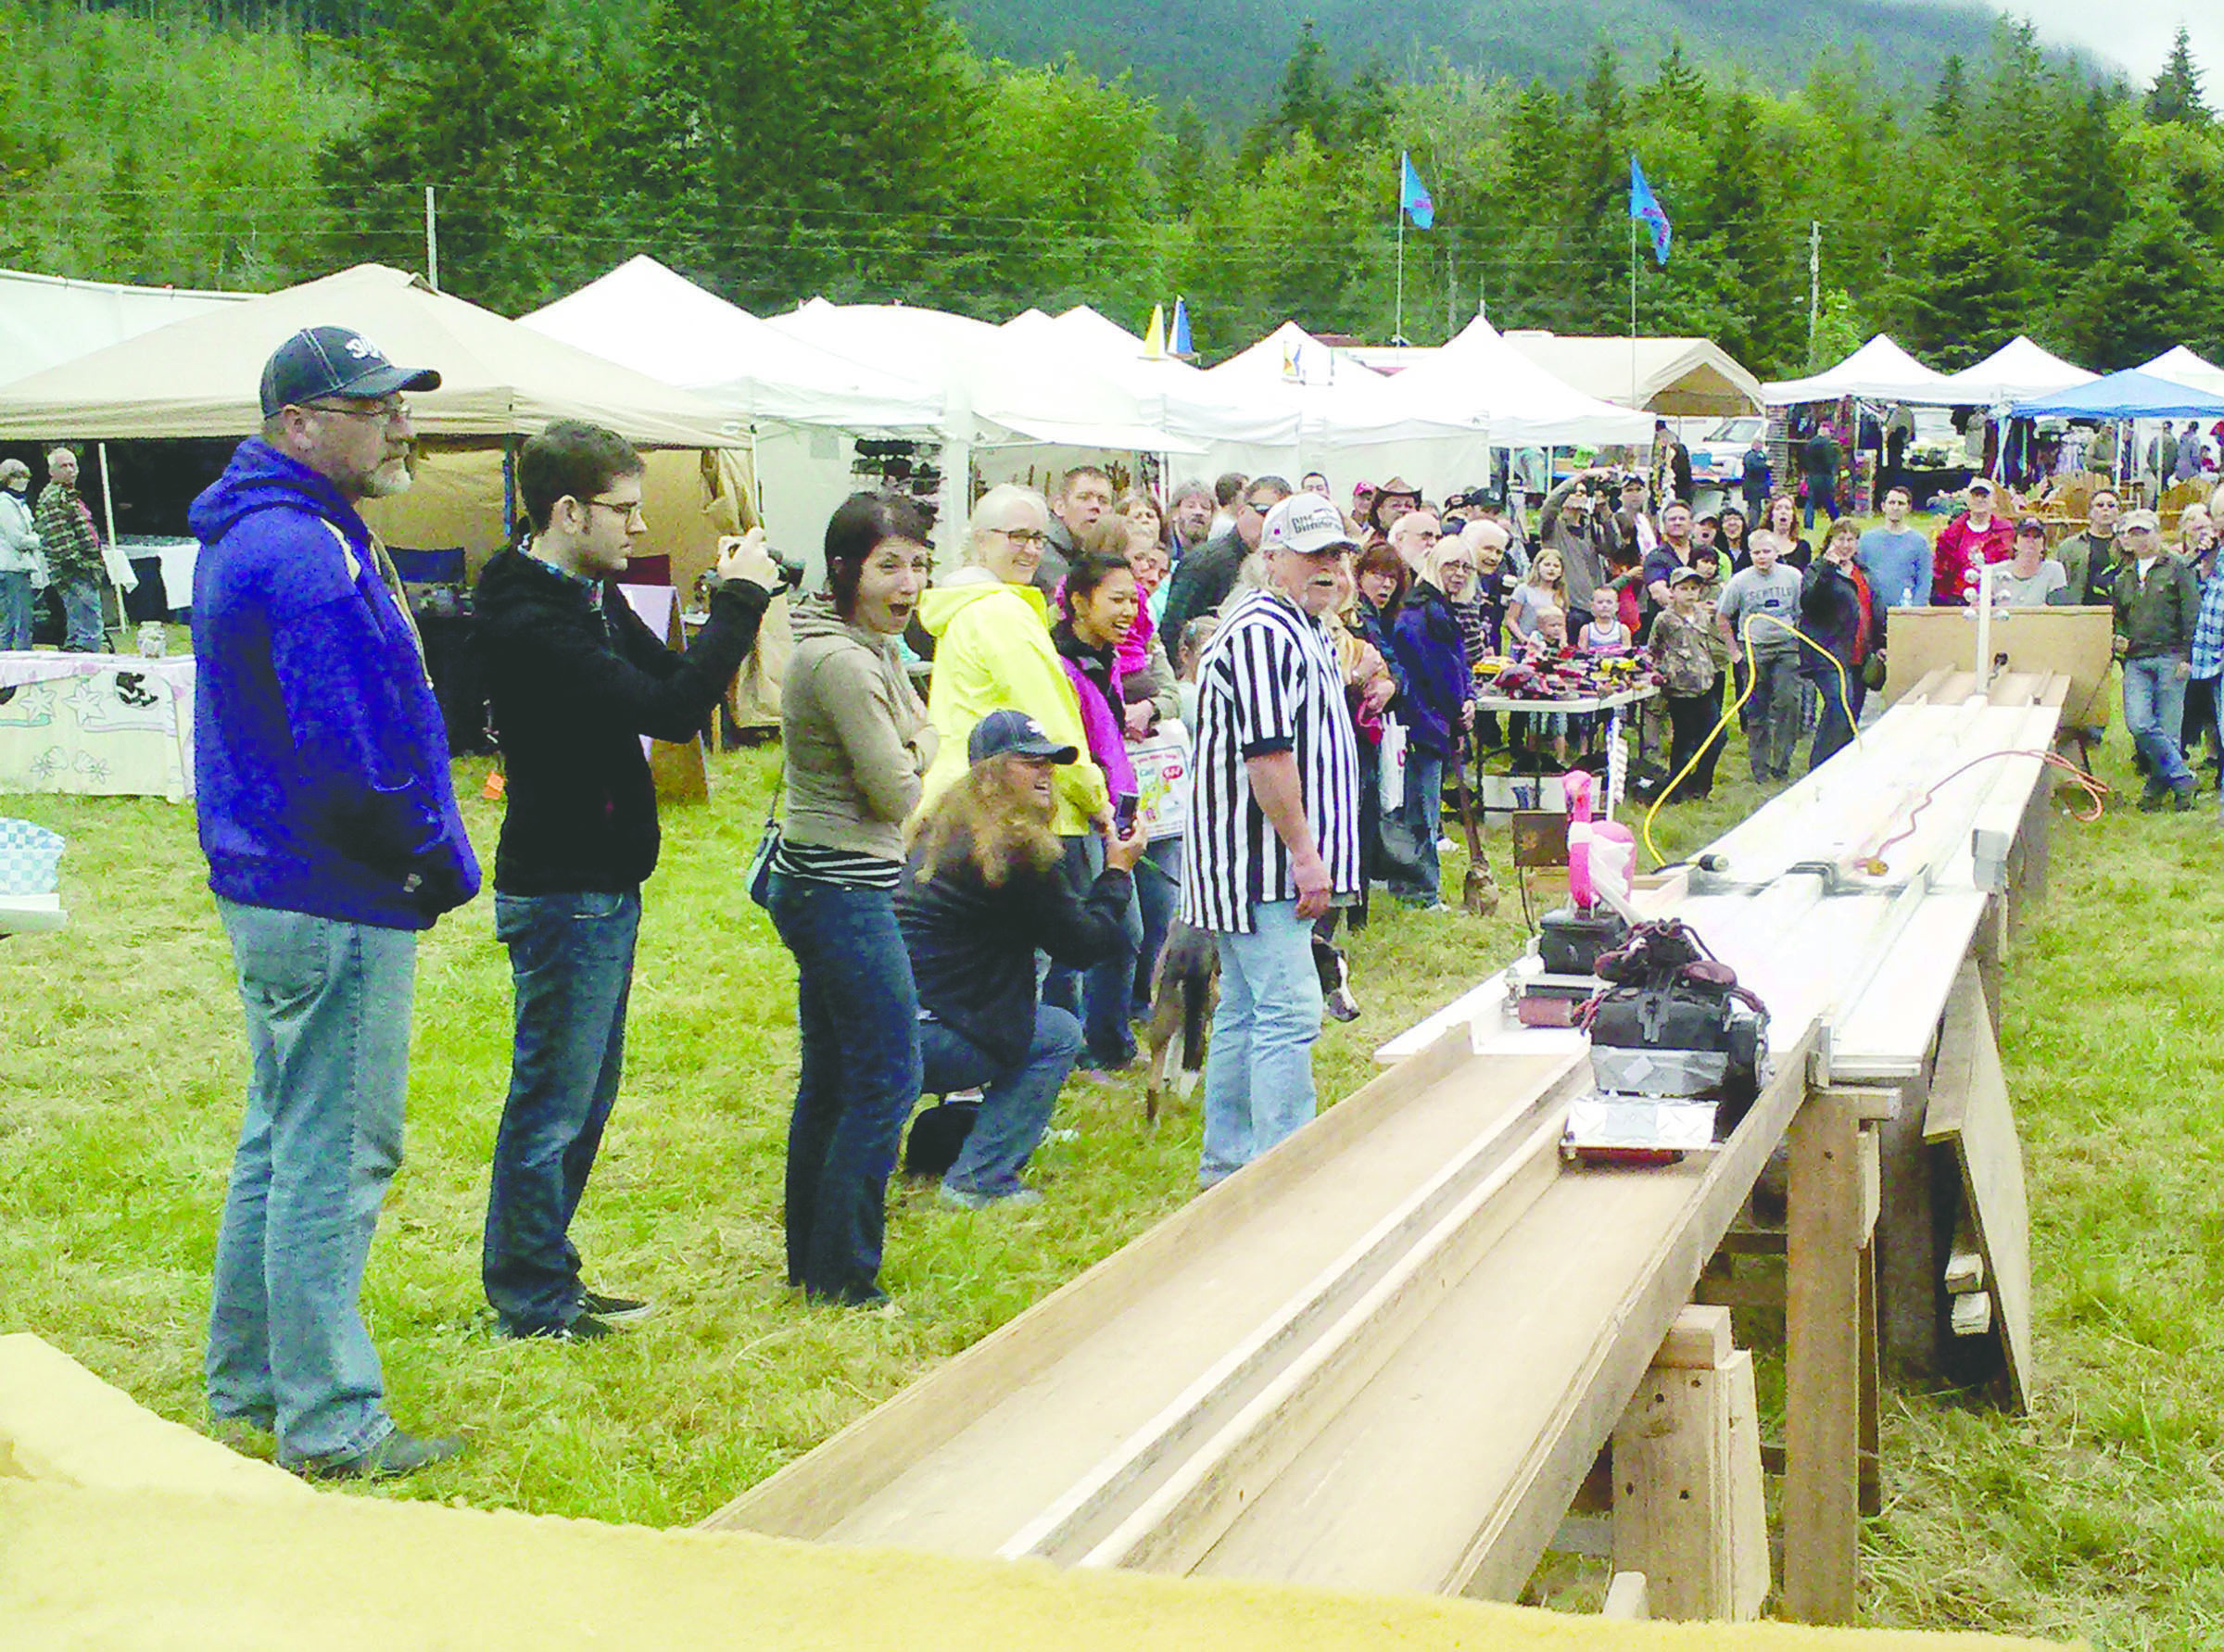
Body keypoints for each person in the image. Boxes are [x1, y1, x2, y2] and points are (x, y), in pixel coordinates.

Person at [192, 325, 474, 1480]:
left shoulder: (263, 535)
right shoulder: (306, 553)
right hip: (332, 890)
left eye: (402, 403)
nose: (400, 423)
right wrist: (432, 857)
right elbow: (352, 753)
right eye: (376, 406)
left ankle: (252, 1381)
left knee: (280, 1133)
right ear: (299, 426)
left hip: (278, 887)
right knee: (337, 1150)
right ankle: (330, 1420)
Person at [472, 422, 777, 1341]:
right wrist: (739, 605)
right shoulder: (530, 618)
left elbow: (675, 675)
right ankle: (527, 1297)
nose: (640, 526)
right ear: (568, 512)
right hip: (564, 888)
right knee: (553, 1101)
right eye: (624, 509)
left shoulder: (578, 595)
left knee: (584, 1096)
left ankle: (547, 1273)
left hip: (598, 880)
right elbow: (676, 708)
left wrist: (731, 607)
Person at [769, 492, 939, 1308]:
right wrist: (923, 740)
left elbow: (912, 743)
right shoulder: (841, 661)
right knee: (886, 1077)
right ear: (845, 569)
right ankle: (844, 1276)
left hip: (832, 881)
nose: (908, 582)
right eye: (889, 565)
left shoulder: (870, 648)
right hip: (838, 887)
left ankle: (815, 1261)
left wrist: (917, 735)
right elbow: (896, 787)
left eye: (917, 563)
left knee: (834, 1076)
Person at [1182, 493, 1361, 1189]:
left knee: (1250, 1008)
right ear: (1272, 556)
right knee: (1288, 1009)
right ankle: (1285, 1172)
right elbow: (1268, 755)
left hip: (1266, 860)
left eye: (1338, 553)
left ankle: (1229, 1167)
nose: (1330, 566)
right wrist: (1305, 852)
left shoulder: (1303, 623)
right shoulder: (1262, 629)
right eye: (1314, 553)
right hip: (1259, 862)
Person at [899, 711, 1145, 1208]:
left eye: (1050, 764)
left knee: (1023, 1008)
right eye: (1029, 762)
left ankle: (1010, 1126)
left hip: (888, 1027)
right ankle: (978, 1180)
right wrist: (1117, 873)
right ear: (989, 772)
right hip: (930, 1039)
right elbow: (1083, 946)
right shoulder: (1014, 846)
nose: (1045, 773)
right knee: (1055, 1032)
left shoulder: (941, 827)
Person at [1051, 545, 1149, 1071]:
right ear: (1079, 603)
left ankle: (1108, 1046)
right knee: (1085, 940)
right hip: (1080, 817)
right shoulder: (1062, 664)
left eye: (1134, 601)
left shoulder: (1104, 659)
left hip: (1113, 810)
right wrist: (1101, 807)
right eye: (1116, 600)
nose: (1128, 612)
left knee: (1123, 933)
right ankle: (1077, 1050)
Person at [1386, 537, 1475, 910]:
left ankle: (1410, 889)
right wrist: (1457, 709)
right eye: (1451, 565)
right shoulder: (1423, 614)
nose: (1458, 574)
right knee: (1420, 814)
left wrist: (1468, 697)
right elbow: (1435, 672)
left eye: (1465, 567)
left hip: (1432, 722)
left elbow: (1457, 665)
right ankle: (1422, 894)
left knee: (1417, 810)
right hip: (1421, 725)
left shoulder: (1439, 609)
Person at [2111, 509, 2200, 811]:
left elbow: (2191, 615)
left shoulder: (2178, 567)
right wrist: (2119, 637)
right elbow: (2118, 618)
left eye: (2145, 532)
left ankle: (2156, 791)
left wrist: (2189, 656)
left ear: (2158, 534)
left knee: (2169, 728)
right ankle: (2182, 777)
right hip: (2136, 659)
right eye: (2133, 533)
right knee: (2139, 724)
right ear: (2126, 539)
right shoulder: (2122, 577)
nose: (2140, 538)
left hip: (2171, 655)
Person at [1714, 530, 1803, 782]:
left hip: (1787, 647)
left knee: (1788, 702)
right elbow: (1722, 616)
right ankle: (1760, 768)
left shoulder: (1793, 577)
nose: (1762, 557)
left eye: (1767, 551)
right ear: (1750, 554)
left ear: (1777, 553)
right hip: (1754, 649)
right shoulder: (1740, 582)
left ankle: (1782, 763)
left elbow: (1801, 610)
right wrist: (1734, 652)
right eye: (1756, 552)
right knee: (1757, 709)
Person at [1798, 519, 1887, 772]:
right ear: (1830, 542)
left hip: (1860, 654)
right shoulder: (1817, 569)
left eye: (1850, 540)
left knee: (1852, 714)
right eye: (1840, 539)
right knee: (1839, 705)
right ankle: (1818, 769)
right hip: (1828, 654)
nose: (1845, 545)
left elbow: (1875, 609)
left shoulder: (1865, 573)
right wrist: (1828, 569)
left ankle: (1841, 767)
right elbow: (1809, 602)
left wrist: (1880, 642)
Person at [1158, 474, 1291, 638]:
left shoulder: (1286, 568)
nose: (1273, 522)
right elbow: (1173, 630)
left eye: (1282, 517)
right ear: (1242, 511)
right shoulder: (1205, 562)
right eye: (1265, 512)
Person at [1648, 565, 1725, 801]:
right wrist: (1662, 673)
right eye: (1684, 589)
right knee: (1683, 740)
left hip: (1704, 684)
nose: (1689, 593)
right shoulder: (1664, 619)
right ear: (1673, 591)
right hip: (1679, 689)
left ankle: (1701, 785)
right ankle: (1676, 789)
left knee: (1717, 737)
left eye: (1694, 589)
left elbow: (1710, 643)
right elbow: (1654, 648)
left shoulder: (1703, 616)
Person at [35, 446, 107, 651]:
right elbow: (60, 541)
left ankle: (79, 662)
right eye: (63, 466)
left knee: (79, 626)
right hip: (75, 571)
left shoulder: (67, 495)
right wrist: (84, 565)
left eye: (72, 465)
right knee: (89, 628)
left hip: (78, 570)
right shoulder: (55, 497)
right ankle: (89, 672)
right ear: (52, 471)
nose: (70, 470)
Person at [1931, 479, 2015, 607]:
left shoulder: (2005, 532)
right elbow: (1942, 570)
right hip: (1958, 599)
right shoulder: (1953, 533)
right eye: (1975, 495)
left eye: (1984, 496)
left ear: (1993, 501)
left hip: (1994, 598)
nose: (1980, 500)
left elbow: (2009, 566)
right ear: (1968, 501)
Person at [1536, 471, 1611, 608]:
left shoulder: (1592, 527)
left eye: (1583, 492)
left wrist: (1604, 508)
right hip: (1564, 605)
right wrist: (1579, 478)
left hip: (1593, 606)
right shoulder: (1553, 528)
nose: (1578, 495)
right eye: (1573, 492)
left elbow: (1614, 546)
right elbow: (1549, 506)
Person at [1040, 465, 1113, 597]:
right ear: (1060, 506)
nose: (1095, 506)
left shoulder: (1106, 552)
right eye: (1084, 498)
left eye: (1103, 501)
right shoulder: (1043, 551)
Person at [1858, 485, 1933, 608]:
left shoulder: (1919, 543)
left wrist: (1917, 610)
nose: (1896, 507)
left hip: (1905, 611)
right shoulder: (1866, 540)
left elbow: (1924, 581)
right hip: (1872, 610)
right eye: (1892, 503)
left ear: (1908, 508)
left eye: (1901, 503)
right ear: (1883, 506)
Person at [2056, 488, 2122, 607]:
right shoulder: (2069, 547)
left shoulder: (2126, 546)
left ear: (2119, 512)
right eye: (2100, 505)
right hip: (2081, 612)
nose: (2105, 509)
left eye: (2111, 505)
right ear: (2090, 512)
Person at [0, 458, 39, 651]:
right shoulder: (5, 504)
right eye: (18, 476)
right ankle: (17, 663)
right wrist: (39, 540)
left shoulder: (19, 503)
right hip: (11, 568)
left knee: (15, 619)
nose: (23, 480)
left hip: (18, 567)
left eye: (25, 476)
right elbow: (18, 539)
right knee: (18, 621)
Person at [1991, 520, 2067, 608]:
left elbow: (2058, 610)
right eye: (2025, 536)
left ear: (2043, 544)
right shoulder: (1996, 571)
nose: (2031, 541)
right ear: (2015, 543)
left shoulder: (2054, 570)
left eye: (2036, 537)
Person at [1505, 548, 1568, 648]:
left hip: (1550, 647)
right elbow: (1510, 619)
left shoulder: (1560, 594)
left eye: (1556, 566)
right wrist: (1523, 639)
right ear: (1538, 567)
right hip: (1525, 645)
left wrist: (1563, 642)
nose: (1551, 569)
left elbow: (1562, 625)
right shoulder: (1523, 590)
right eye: (1547, 565)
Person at [1802, 421, 1843, 527]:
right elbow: (1830, 462)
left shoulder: (1810, 444)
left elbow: (1804, 459)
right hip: (1825, 476)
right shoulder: (1828, 445)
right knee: (1829, 501)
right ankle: (1836, 521)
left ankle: (1808, 523)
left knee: (1810, 502)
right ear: (1826, 431)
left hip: (1812, 475)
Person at [1386, 503, 1441, 576]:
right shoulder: (1383, 574)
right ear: (1400, 538)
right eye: (1425, 536)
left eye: (1438, 538)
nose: (1433, 543)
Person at [1763, 493, 1813, 570]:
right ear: (1771, 516)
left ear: (1793, 517)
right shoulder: (1760, 546)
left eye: (1787, 508)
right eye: (1778, 508)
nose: (1783, 512)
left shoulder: (1803, 547)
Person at [1578, 586, 1631, 655]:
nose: (1604, 606)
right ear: (1592, 606)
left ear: (1616, 606)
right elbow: (1582, 655)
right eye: (1600, 602)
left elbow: (1628, 655)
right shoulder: (1586, 630)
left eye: (1609, 602)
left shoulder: (1622, 629)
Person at [1168, 481, 1215, 557]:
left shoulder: (1216, 555)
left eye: (1205, 507)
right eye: (1191, 506)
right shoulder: (1164, 554)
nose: (1199, 512)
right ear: (1175, 512)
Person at [1740, 433, 1774, 526]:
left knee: (1759, 508)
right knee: (1754, 507)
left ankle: (1758, 524)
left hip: (1760, 486)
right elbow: (1753, 467)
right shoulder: (1750, 456)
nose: (1762, 446)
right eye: (1760, 443)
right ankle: (1753, 526)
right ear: (1755, 444)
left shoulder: (1761, 455)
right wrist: (1766, 465)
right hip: (1752, 487)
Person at [1207, 472, 1247, 539]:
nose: (1248, 495)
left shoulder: (1224, 520)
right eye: (1245, 491)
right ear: (1233, 495)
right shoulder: (1226, 525)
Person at [1716, 505, 1750, 573]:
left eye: (1736, 519)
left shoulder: (1752, 549)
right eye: (1726, 520)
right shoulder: (1717, 552)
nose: (1732, 523)